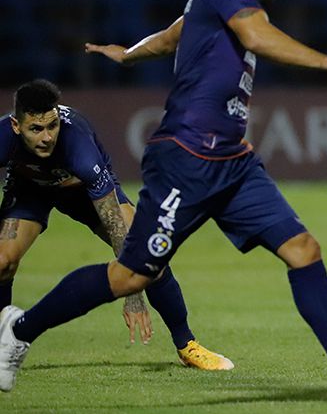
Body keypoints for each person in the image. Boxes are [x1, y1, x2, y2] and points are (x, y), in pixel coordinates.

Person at [0, 0, 327, 404]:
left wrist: (129, 54)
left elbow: (174, 35)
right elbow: (258, 37)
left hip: (232, 162)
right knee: (133, 274)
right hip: (187, 156)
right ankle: (20, 328)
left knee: (303, 248)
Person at [0, 79, 233, 370]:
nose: (47, 137)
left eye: (53, 126)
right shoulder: (2, 137)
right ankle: (5, 341)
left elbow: (115, 226)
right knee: (3, 261)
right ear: (16, 126)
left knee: (149, 257)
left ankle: (188, 345)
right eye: (36, 129)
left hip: (82, 192)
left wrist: (132, 293)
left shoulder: (79, 147)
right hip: (30, 189)